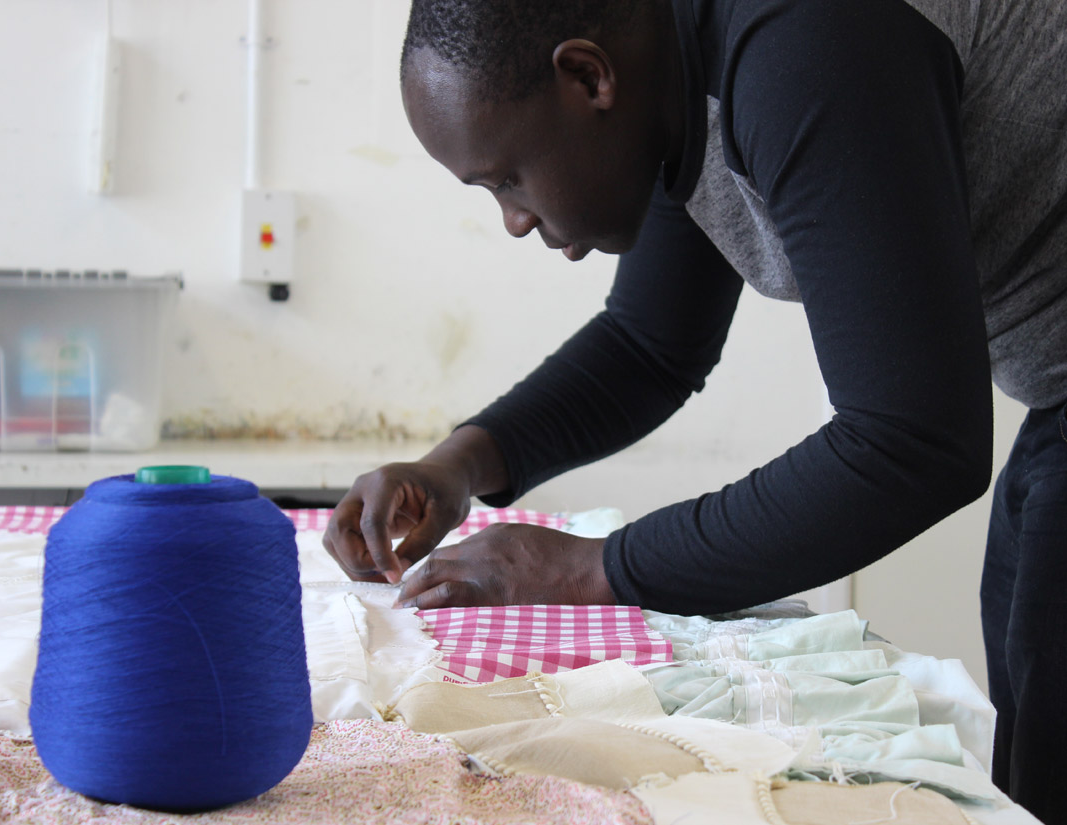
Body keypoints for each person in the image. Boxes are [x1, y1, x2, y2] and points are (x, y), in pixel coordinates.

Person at [322, 1, 1067, 820]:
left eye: (507, 176)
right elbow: (651, 345)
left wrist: (584, 567)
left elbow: (909, 440)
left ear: (586, 76)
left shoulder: (806, 43)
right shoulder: (673, 83)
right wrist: (457, 464)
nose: (515, 219)